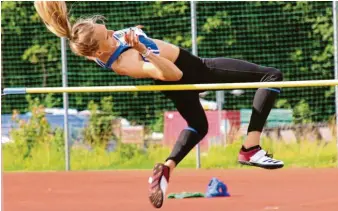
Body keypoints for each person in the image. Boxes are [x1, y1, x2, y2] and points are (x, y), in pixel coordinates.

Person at [34, 1, 284, 209]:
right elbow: (173, 75)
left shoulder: (90, 43)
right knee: (270, 76)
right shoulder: (126, 61)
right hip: (193, 70)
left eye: (108, 29)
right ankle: (250, 147)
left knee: (198, 125)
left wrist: (137, 34)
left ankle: (166, 168)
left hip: (177, 79)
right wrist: (144, 48)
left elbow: (97, 38)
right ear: (98, 53)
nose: (111, 33)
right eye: (107, 35)